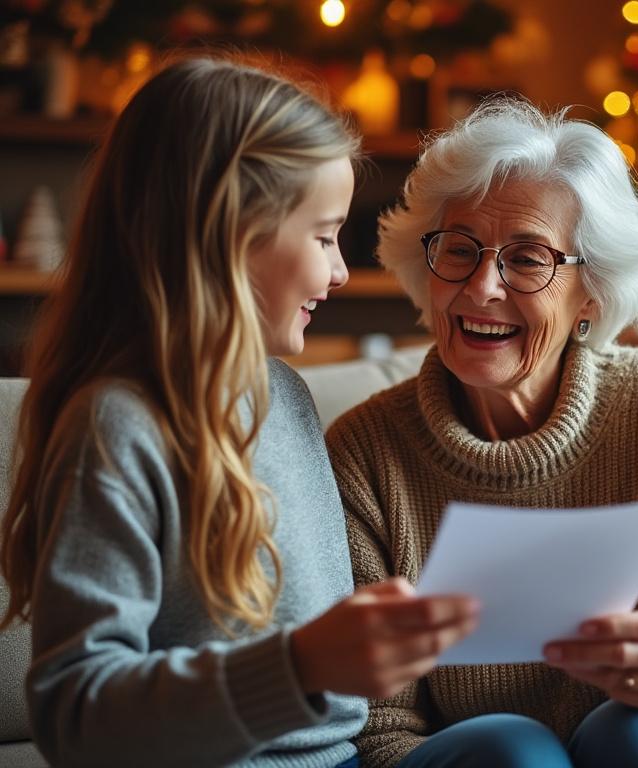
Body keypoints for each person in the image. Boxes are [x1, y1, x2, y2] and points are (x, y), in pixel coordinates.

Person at [0, 57, 479, 768]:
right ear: (229, 237)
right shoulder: (119, 427)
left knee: (509, 747)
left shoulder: (285, 396)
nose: (341, 272)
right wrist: (297, 668)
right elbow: (76, 715)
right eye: (323, 237)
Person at [325, 96, 638, 768]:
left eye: (528, 259)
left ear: (590, 294)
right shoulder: (365, 451)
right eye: (460, 250)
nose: (481, 287)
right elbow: (379, 725)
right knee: (515, 750)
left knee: (636, 732)